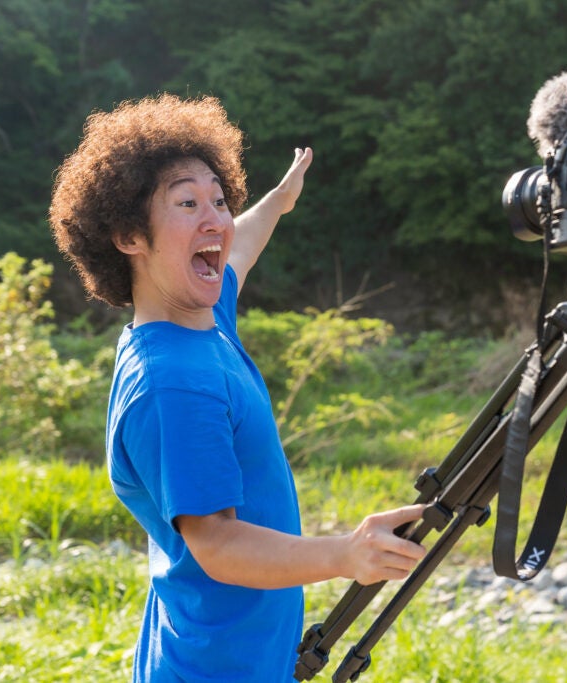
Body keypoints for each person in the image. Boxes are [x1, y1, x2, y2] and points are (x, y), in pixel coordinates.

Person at [48, 93, 426, 683]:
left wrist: (277, 201)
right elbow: (217, 545)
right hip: (213, 669)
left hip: (236, 656)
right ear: (128, 236)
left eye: (219, 200)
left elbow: (239, 245)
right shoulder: (174, 384)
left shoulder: (197, 323)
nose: (216, 219)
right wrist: (345, 554)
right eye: (187, 202)